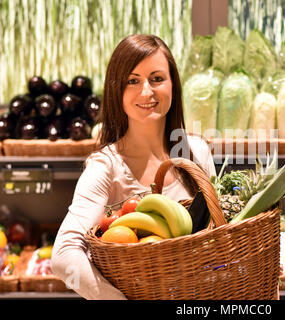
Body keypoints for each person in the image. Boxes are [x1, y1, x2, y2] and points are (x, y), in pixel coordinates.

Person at [51, 34, 216, 300]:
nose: (146, 92)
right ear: (117, 90)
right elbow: (62, 258)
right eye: (133, 81)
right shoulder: (105, 167)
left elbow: (218, 235)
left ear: (173, 85)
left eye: (157, 78)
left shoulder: (197, 151)